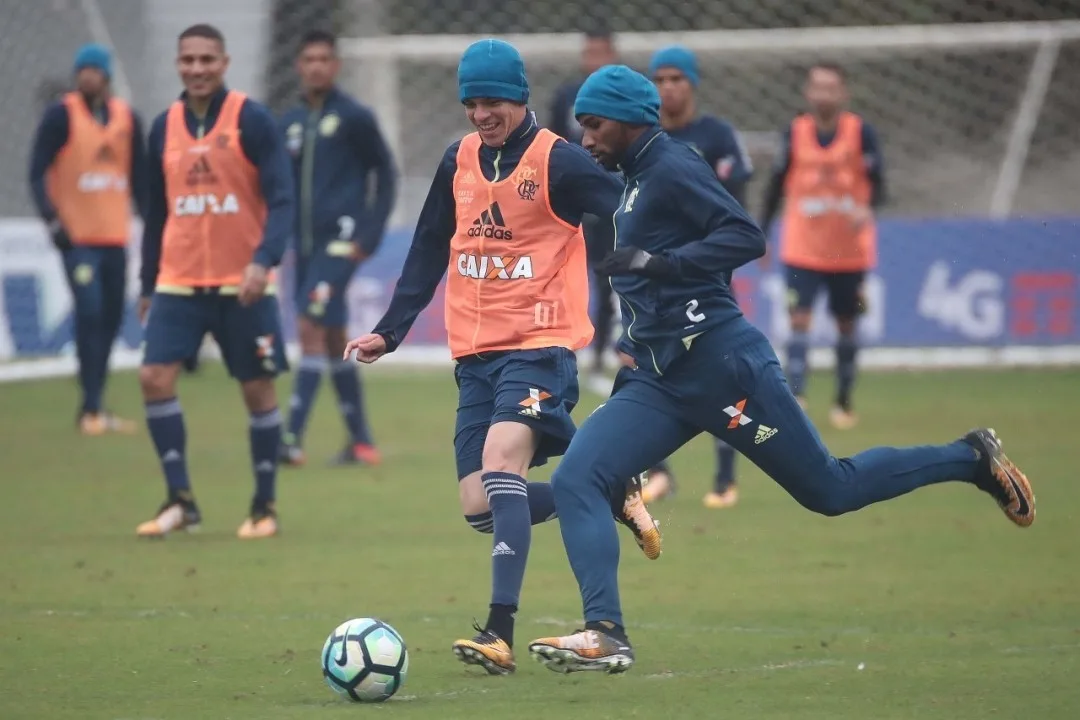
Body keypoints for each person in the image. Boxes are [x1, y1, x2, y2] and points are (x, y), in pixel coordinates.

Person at [527, 65, 1035, 675]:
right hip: (661, 379)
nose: (586, 137)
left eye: (595, 123)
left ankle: (970, 459)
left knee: (831, 490)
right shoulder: (633, 178)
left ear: (633, 120)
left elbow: (744, 236)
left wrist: (660, 264)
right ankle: (606, 631)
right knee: (582, 473)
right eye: (581, 124)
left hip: (722, 366)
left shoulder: (671, 164)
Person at [343, 39, 661, 676]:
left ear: (519, 97)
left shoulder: (560, 163)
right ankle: (610, 496)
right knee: (479, 507)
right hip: (476, 358)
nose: (480, 114)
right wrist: (391, 330)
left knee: (499, 463)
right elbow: (431, 245)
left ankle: (499, 630)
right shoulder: (457, 160)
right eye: (471, 102)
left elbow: (628, 210)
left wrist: (651, 282)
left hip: (540, 349)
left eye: (491, 101)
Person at [135, 23, 295, 540]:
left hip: (242, 284)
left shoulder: (251, 119)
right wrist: (145, 282)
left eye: (207, 59)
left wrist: (262, 260)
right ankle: (180, 500)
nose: (197, 69)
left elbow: (282, 198)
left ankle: (263, 506)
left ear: (224, 63)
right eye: (188, 60)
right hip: (178, 281)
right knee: (153, 377)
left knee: (257, 389)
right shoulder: (163, 128)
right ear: (179, 65)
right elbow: (156, 214)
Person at [642, 44, 755, 509]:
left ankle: (725, 478)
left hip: (703, 281)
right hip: (648, 281)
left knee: (719, 373)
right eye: (660, 79)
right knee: (643, 367)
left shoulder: (717, 136)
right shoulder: (642, 140)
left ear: (692, 84)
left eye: (676, 79)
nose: (668, 87)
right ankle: (659, 471)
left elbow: (736, 215)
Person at [278, 29, 397, 467]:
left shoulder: (353, 117)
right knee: (329, 338)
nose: (316, 66)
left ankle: (289, 439)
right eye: (308, 59)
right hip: (304, 248)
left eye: (324, 59)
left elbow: (385, 174)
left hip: (340, 245)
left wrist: (367, 236)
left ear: (335, 66)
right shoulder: (289, 123)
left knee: (309, 325)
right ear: (298, 65)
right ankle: (361, 441)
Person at [28, 43, 147, 435]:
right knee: (90, 310)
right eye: (83, 71)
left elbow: (142, 180)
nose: (88, 77)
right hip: (77, 239)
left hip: (115, 237)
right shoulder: (61, 115)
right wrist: (53, 221)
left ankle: (93, 405)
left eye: (94, 70)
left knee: (111, 318)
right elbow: (36, 170)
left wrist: (154, 224)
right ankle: (91, 408)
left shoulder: (127, 119)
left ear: (106, 75)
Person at [759, 62, 886, 430]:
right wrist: (763, 232)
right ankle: (796, 396)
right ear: (807, 92)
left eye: (831, 87)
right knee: (799, 320)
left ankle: (844, 399)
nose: (824, 94)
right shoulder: (795, 133)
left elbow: (879, 183)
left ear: (843, 93)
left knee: (847, 323)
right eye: (818, 87)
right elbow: (776, 183)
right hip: (803, 248)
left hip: (850, 251)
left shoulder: (861, 133)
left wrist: (866, 207)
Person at [548, 25, 620, 379]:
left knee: (611, 279)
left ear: (612, 55)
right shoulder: (566, 96)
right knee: (560, 277)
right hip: (569, 205)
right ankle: (561, 346)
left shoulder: (622, 95)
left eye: (600, 52)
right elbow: (549, 147)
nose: (592, 60)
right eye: (588, 52)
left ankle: (602, 354)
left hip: (607, 200)